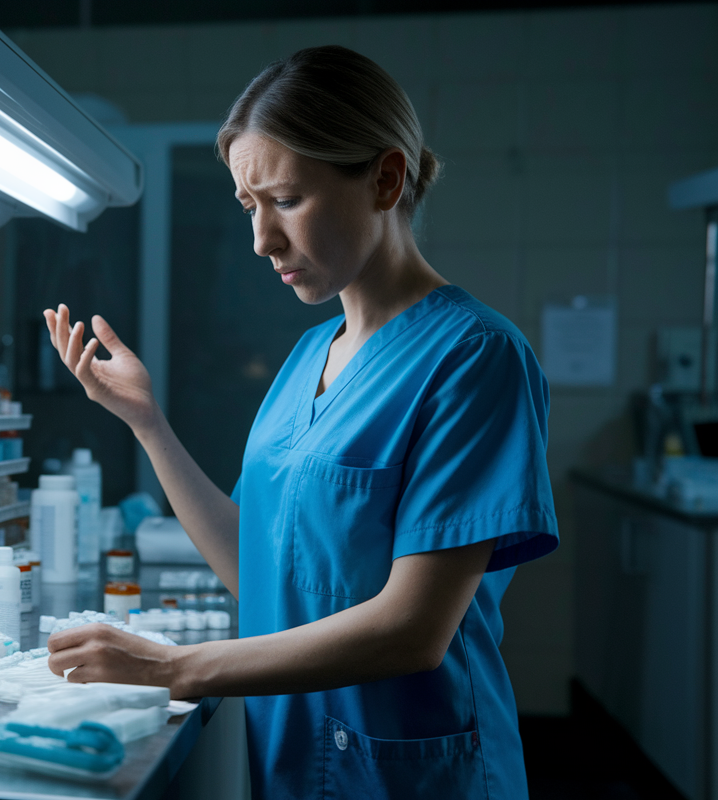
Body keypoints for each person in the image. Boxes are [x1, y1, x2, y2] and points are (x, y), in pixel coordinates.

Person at [42, 45, 558, 799]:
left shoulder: (476, 358)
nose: (261, 240)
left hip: (411, 775)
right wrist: (147, 423)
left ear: (385, 178)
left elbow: (414, 630)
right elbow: (261, 573)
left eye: (285, 201)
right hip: (292, 762)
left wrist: (176, 668)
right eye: (249, 207)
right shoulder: (309, 356)